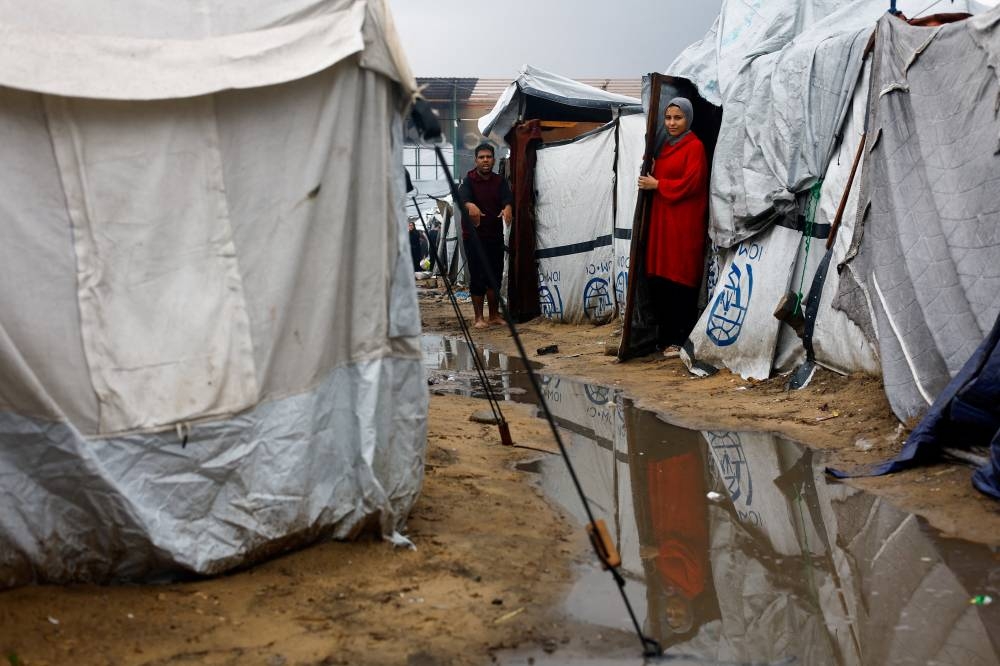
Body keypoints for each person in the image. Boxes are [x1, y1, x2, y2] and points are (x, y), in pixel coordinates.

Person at [637, 97, 709, 358]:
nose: (672, 123)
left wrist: (658, 185)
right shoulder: (664, 148)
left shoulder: (695, 147)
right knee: (661, 279)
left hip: (683, 225)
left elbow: (692, 183)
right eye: (668, 118)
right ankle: (665, 338)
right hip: (662, 223)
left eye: (677, 118)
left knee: (680, 278)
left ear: (688, 119)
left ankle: (680, 339)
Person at [458, 143, 513, 329]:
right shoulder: (468, 181)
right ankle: (478, 318)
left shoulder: (499, 181)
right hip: (473, 238)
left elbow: (507, 198)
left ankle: (494, 315)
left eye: (488, 157)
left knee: (495, 276)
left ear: (494, 160)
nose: (485, 160)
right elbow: (462, 198)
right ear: (476, 160)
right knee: (478, 276)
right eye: (481, 157)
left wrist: (507, 208)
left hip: (494, 235)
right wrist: (470, 205)